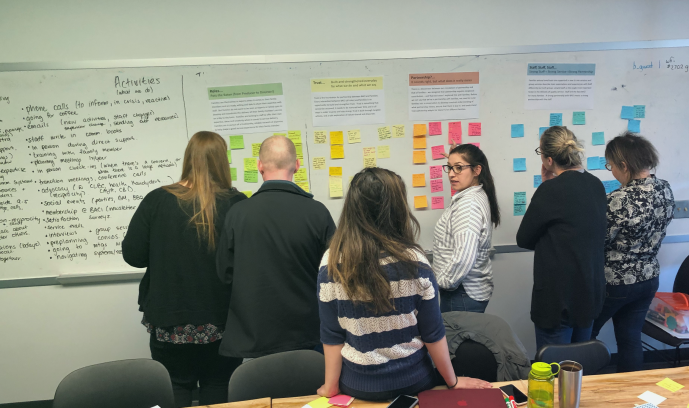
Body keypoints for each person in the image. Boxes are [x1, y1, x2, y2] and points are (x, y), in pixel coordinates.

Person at [317, 168, 493, 401]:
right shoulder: (414, 261)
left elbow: (332, 335)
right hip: (414, 383)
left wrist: (330, 387)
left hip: (358, 387)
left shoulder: (331, 261)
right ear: (398, 209)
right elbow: (432, 333)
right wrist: (453, 381)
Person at [122, 131, 246, 407]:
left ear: (188, 158)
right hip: (222, 321)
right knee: (218, 384)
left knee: (176, 385)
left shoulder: (157, 200)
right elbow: (248, 263)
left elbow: (133, 256)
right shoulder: (237, 204)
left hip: (170, 320)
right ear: (222, 162)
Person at [216, 135, 335, 359]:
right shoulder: (317, 213)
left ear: (259, 165)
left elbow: (224, 274)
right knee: (311, 393)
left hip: (254, 336)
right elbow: (334, 274)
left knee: (261, 391)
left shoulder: (238, 213)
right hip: (308, 334)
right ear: (297, 165)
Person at [516, 126, 606, 351]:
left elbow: (524, 238)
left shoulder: (551, 190)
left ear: (548, 160)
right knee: (580, 367)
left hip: (558, 298)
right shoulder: (596, 185)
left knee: (554, 371)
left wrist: (546, 185)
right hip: (589, 293)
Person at [591, 132, 674, 372]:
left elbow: (601, 241)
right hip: (648, 277)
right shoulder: (665, 189)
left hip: (615, 282)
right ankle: (632, 394)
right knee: (630, 338)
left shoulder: (618, 199)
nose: (612, 172)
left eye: (611, 166)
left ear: (624, 166)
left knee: (586, 335)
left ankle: (583, 391)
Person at [432, 144, 500, 313]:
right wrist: (460, 160)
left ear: (477, 170)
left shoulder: (468, 206)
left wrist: (439, 282)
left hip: (460, 294)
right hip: (464, 293)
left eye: (459, 168)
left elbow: (464, 257)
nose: (451, 174)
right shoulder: (473, 194)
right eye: (449, 168)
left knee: (456, 340)